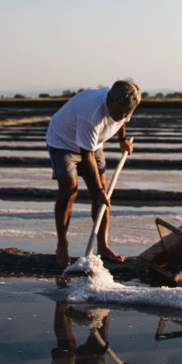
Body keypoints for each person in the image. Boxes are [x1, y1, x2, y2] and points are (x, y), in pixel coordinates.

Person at [46, 79, 141, 265]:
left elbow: (121, 121)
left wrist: (122, 140)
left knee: (103, 194)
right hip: (63, 141)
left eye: (127, 113)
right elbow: (86, 156)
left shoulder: (126, 105)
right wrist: (97, 191)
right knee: (69, 191)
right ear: (111, 100)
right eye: (120, 111)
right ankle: (62, 243)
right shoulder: (92, 114)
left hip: (93, 143)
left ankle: (103, 246)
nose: (123, 115)